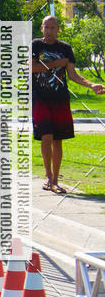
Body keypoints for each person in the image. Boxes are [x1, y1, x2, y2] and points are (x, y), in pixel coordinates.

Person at [32, 14, 104, 194]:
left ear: (58, 29)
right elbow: (32, 68)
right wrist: (56, 63)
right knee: (45, 136)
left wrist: (92, 85)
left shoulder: (65, 48)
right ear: (42, 28)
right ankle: (47, 177)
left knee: (58, 139)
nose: (49, 31)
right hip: (40, 98)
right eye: (46, 27)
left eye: (52, 28)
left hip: (60, 99)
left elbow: (73, 75)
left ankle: (55, 180)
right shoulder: (35, 45)